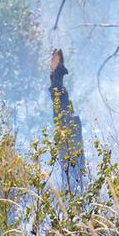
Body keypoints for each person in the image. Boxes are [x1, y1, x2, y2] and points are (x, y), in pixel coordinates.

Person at [49, 49, 86, 191]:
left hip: (67, 125)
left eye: (54, 61)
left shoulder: (58, 87)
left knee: (72, 168)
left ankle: (75, 189)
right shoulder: (56, 84)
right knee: (70, 169)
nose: (51, 63)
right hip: (64, 125)